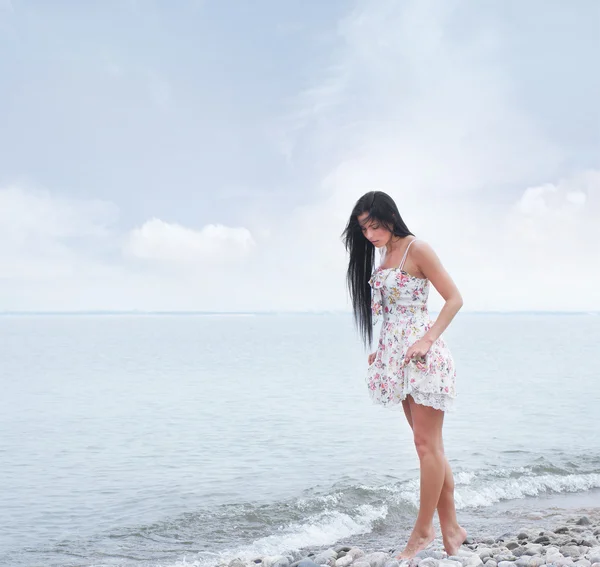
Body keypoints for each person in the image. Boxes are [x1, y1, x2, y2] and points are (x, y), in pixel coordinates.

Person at [342, 191, 467, 560]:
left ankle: (423, 529)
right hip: (396, 359)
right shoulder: (383, 255)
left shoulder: (418, 250)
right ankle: (452, 529)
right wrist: (380, 352)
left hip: (424, 358)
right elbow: (393, 313)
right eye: (363, 228)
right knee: (428, 447)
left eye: (374, 225)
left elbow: (454, 298)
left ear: (391, 218)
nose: (369, 234)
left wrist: (427, 340)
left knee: (426, 447)